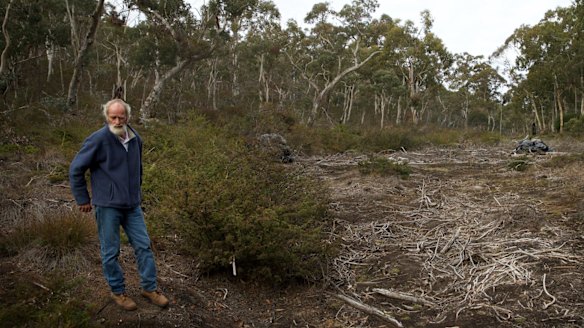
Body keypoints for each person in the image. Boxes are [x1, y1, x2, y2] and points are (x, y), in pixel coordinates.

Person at [69, 99, 169, 311]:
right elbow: (76, 169)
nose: (116, 121)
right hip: (107, 205)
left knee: (143, 246)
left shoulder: (135, 139)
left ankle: (149, 288)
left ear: (127, 117)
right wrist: (83, 199)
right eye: (112, 117)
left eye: (120, 117)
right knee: (110, 251)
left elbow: (138, 169)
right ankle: (118, 292)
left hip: (132, 205)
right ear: (106, 117)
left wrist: (137, 193)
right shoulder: (98, 139)